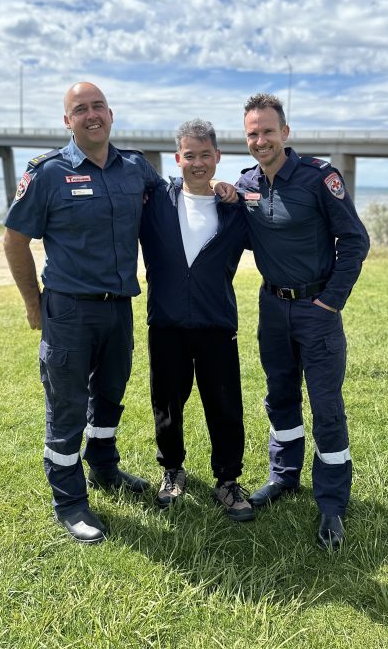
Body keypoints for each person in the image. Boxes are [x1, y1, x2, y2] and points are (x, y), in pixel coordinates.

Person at [3, 82, 164, 544]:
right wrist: (34, 305)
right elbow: (15, 238)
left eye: (98, 107)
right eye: (80, 109)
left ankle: (105, 469)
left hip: (119, 309)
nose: (91, 115)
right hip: (69, 311)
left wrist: (219, 186)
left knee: (110, 397)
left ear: (111, 114)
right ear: (67, 121)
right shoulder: (48, 173)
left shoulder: (135, 167)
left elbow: (173, 200)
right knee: (67, 406)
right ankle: (70, 502)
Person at [237, 93, 370, 549]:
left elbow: (354, 240)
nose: (260, 140)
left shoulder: (319, 177)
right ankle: (284, 476)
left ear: (285, 133)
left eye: (267, 131)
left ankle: (332, 503)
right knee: (279, 397)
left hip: (317, 311)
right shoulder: (246, 184)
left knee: (326, 406)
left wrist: (332, 301)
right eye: (252, 133)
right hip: (272, 308)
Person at [139, 119, 254, 521]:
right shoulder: (154, 202)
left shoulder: (235, 210)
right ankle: (172, 470)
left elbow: (277, 226)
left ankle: (227, 481)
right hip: (166, 324)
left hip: (216, 324)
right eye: (190, 155)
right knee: (167, 405)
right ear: (178, 158)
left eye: (206, 155)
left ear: (218, 157)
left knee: (224, 406)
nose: (198, 163)